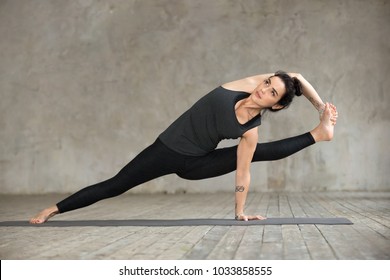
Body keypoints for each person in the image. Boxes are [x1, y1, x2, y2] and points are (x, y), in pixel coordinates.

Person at [30, 71, 338, 224]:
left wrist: (240, 212)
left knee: (259, 153)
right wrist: (321, 106)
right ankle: (54, 209)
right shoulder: (241, 86)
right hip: (165, 150)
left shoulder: (250, 130)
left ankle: (319, 134)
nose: (263, 89)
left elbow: (242, 173)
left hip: (197, 165)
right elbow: (295, 76)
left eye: (272, 92)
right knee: (116, 184)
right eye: (267, 83)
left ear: (277, 106)